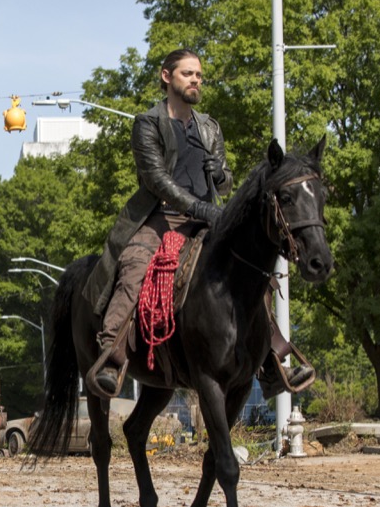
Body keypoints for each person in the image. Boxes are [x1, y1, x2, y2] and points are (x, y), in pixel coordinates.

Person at [84, 48, 312, 399]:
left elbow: (225, 183)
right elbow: (157, 180)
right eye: (188, 73)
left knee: (252, 273)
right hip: (159, 218)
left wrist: (221, 176)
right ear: (166, 77)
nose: (195, 80)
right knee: (133, 269)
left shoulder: (209, 127)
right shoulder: (148, 124)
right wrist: (202, 210)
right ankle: (112, 354)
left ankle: (271, 358)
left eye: (199, 75)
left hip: (209, 220)